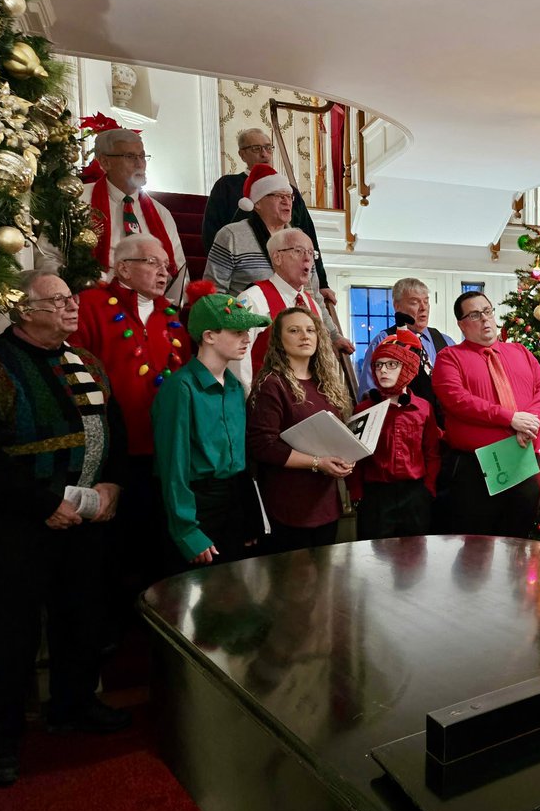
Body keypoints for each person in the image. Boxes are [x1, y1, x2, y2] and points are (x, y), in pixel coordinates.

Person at [0, 272, 130, 787]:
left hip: (87, 519)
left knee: (82, 618)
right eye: (60, 300)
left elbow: (114, 429)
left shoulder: (85, 360)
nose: (73, 307)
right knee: (10, 635)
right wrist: (40, 504)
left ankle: (73, 706)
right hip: (18, 526)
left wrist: (113, 483)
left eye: (72, 298)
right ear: (25, 310)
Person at [69, 235, 189, 604]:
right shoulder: (90, 306)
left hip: (166, 449)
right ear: (123, 268)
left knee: (160, 539)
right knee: (118, 545)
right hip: (116, 453)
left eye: (166, 266)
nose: (164, 272)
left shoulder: (171, 315)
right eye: (154, 263)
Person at [151, 290, 270, 570]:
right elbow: (173, 467)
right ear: (209, 336)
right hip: (197, 505)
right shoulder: (181, 388)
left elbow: (240, 459)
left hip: (232, 501)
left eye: (248, 331)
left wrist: (248, 514)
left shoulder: (233, 386)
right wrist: (187, 531)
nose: (247, 338)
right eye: (237, 331)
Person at [431, 290, 540, 537]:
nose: (485, 319)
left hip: (523, 461)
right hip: (475, 468)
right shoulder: (449, 358)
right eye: (475, 315)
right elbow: (457, 399)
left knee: (517, 542)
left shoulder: (520, 351)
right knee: (477, 548)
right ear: (462, 325)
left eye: (487, 311)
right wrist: (510, 418)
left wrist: (529, 422)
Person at [247, 307, 354, 553]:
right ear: (279, 340)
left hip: (326, 502)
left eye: (310, 330)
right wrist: (317, 463)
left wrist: (347, 457)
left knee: (325, 586)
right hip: (288, 505)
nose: (305, 336)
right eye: (294, 331)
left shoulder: (324, 382)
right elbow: (263, 446)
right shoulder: (271, 384)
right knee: (292, 587)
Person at [200, 128, 334, 303]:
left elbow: (308, 237)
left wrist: (322, 282)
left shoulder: (289, 190)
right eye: (256, 149)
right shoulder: (227, 186)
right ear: (242, 154)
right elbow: (211, 231)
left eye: (268, 148)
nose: (264, 154)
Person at [231, 227, 354, 390]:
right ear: (277, 257)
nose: (307, 260)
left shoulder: (313, 305)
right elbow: (238, 362)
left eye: (311, 253)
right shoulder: (253, 299)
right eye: (299, 251)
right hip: (267, 401)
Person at [348, 330, 441, 540]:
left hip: (415, 494)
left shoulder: (423, 408)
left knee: (414, 555)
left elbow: (432, 453)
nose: (383, 371)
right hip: (376, 496)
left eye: (392, 365)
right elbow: (355, 456)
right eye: (378, 365)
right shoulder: (364, 409)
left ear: (406, 369)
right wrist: (357, 493)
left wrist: (428, 490)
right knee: (374, 557)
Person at [82, 128, 186, 303]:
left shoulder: (161, 213)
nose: (140, 164)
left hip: (149, 304)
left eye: (142, 156)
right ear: (104, 162)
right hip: (96, 300)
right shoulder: (80, 202)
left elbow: (179, 267)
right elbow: (50, 256)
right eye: (130, 157)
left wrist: (170, 308)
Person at [357, 277, 456, 419]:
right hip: (405, 427)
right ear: (397, 306)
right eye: (415, 302)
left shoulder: (446, 342)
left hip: (446, 428)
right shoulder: (384, 341)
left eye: (426, 301)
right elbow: (368, 393)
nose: (423, 307)